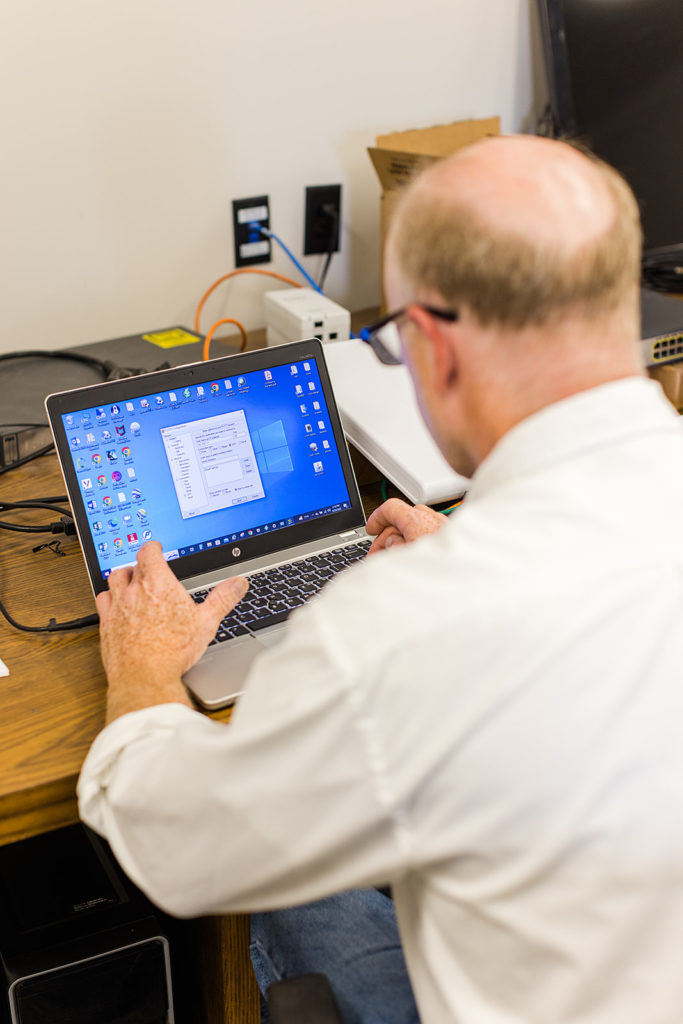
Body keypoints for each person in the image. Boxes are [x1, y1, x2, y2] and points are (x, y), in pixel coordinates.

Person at [78, 134, 683, 1023]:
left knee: (291, 870)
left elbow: (174, 849)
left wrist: (140, 671)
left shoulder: (406, 627)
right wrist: (462, 550)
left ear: (433, 347)